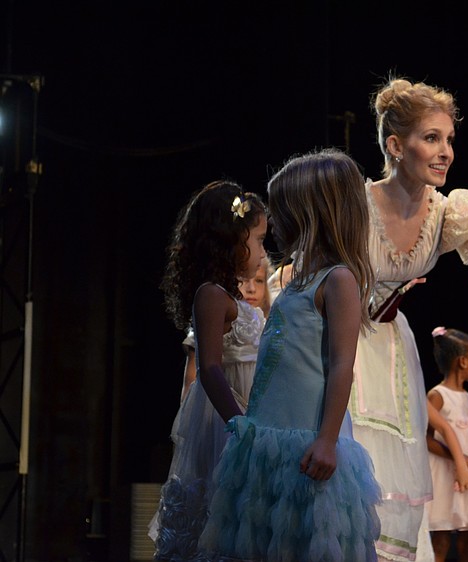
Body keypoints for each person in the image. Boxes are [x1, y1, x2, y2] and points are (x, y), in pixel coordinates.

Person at [348, 76, 468, 562]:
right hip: (339, 343)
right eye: (431, 138)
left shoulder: (446, 211)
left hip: (391, 348)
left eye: (449, 140)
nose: (445, 152)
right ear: (396, 146)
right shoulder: (356, 202)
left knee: (390, 478)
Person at [199, 148, 382, 560]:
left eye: (281, 209)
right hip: (267, 442)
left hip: (306, 444)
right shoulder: (297, 281)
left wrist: (328, 440)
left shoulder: (338, 280)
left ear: (309, 212)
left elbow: (341, 367)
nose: (275, 221)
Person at [149, 180, 268, 561]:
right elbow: (211, 369)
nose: (264, 253)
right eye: (259, 240)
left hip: (250, 409)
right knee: (216, 511)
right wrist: (239, 423)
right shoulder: (211, 295)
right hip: (226, 419)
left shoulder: (235, 297)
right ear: (231, 239)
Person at [426, 326, 468, 562]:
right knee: (441, 541)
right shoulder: (438, 395)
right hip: (446, 476)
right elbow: (427, 439)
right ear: (463, 362)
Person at [179, 257, 273, 403]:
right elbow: (191, 384)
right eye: (244, 280)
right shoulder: (213, 321)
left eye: (259, 281)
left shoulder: (269, 326)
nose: (252, 289)